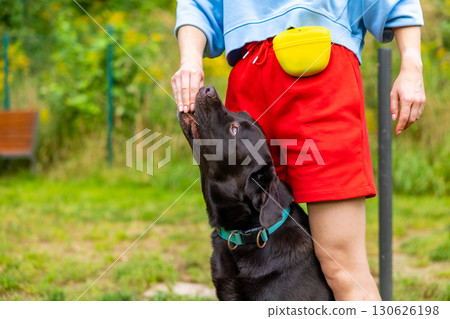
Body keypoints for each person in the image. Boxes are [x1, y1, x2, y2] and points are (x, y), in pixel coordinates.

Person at [171, 0, 426, 301]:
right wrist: (190, 60)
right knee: (242, 275)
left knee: (342, 267)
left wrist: (412, 61)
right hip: (248, 78)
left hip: (322, 74)